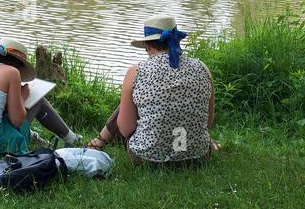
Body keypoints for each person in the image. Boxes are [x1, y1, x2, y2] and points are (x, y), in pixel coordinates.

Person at [87, 15, 217, 164]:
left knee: (133, 103)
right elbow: (207, 122)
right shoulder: (202, 68)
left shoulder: (136, 72)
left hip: (148, 158)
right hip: (198, 156)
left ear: (148, 45)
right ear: (176, 41)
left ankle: (100, 141)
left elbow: (125, 129)